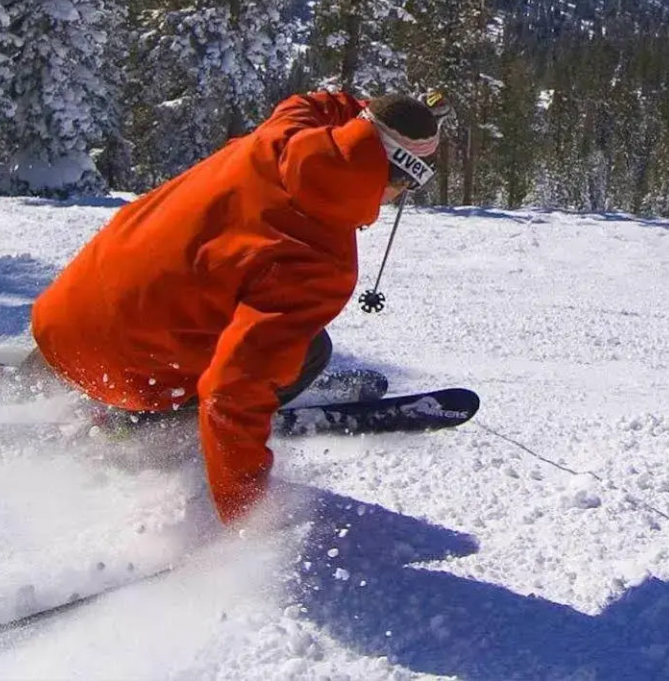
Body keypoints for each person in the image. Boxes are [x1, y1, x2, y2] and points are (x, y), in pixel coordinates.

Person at [28, 89, 445, 524]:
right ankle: (142, 428)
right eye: (411, 184)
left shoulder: (287, 132)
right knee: (311, 349)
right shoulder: (321, 260)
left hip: (61, 317)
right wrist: (245, 516)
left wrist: (383, 111)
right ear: (394, 176)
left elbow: (323, 103)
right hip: (124, 374)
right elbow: (234, 393)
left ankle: (40, 373)